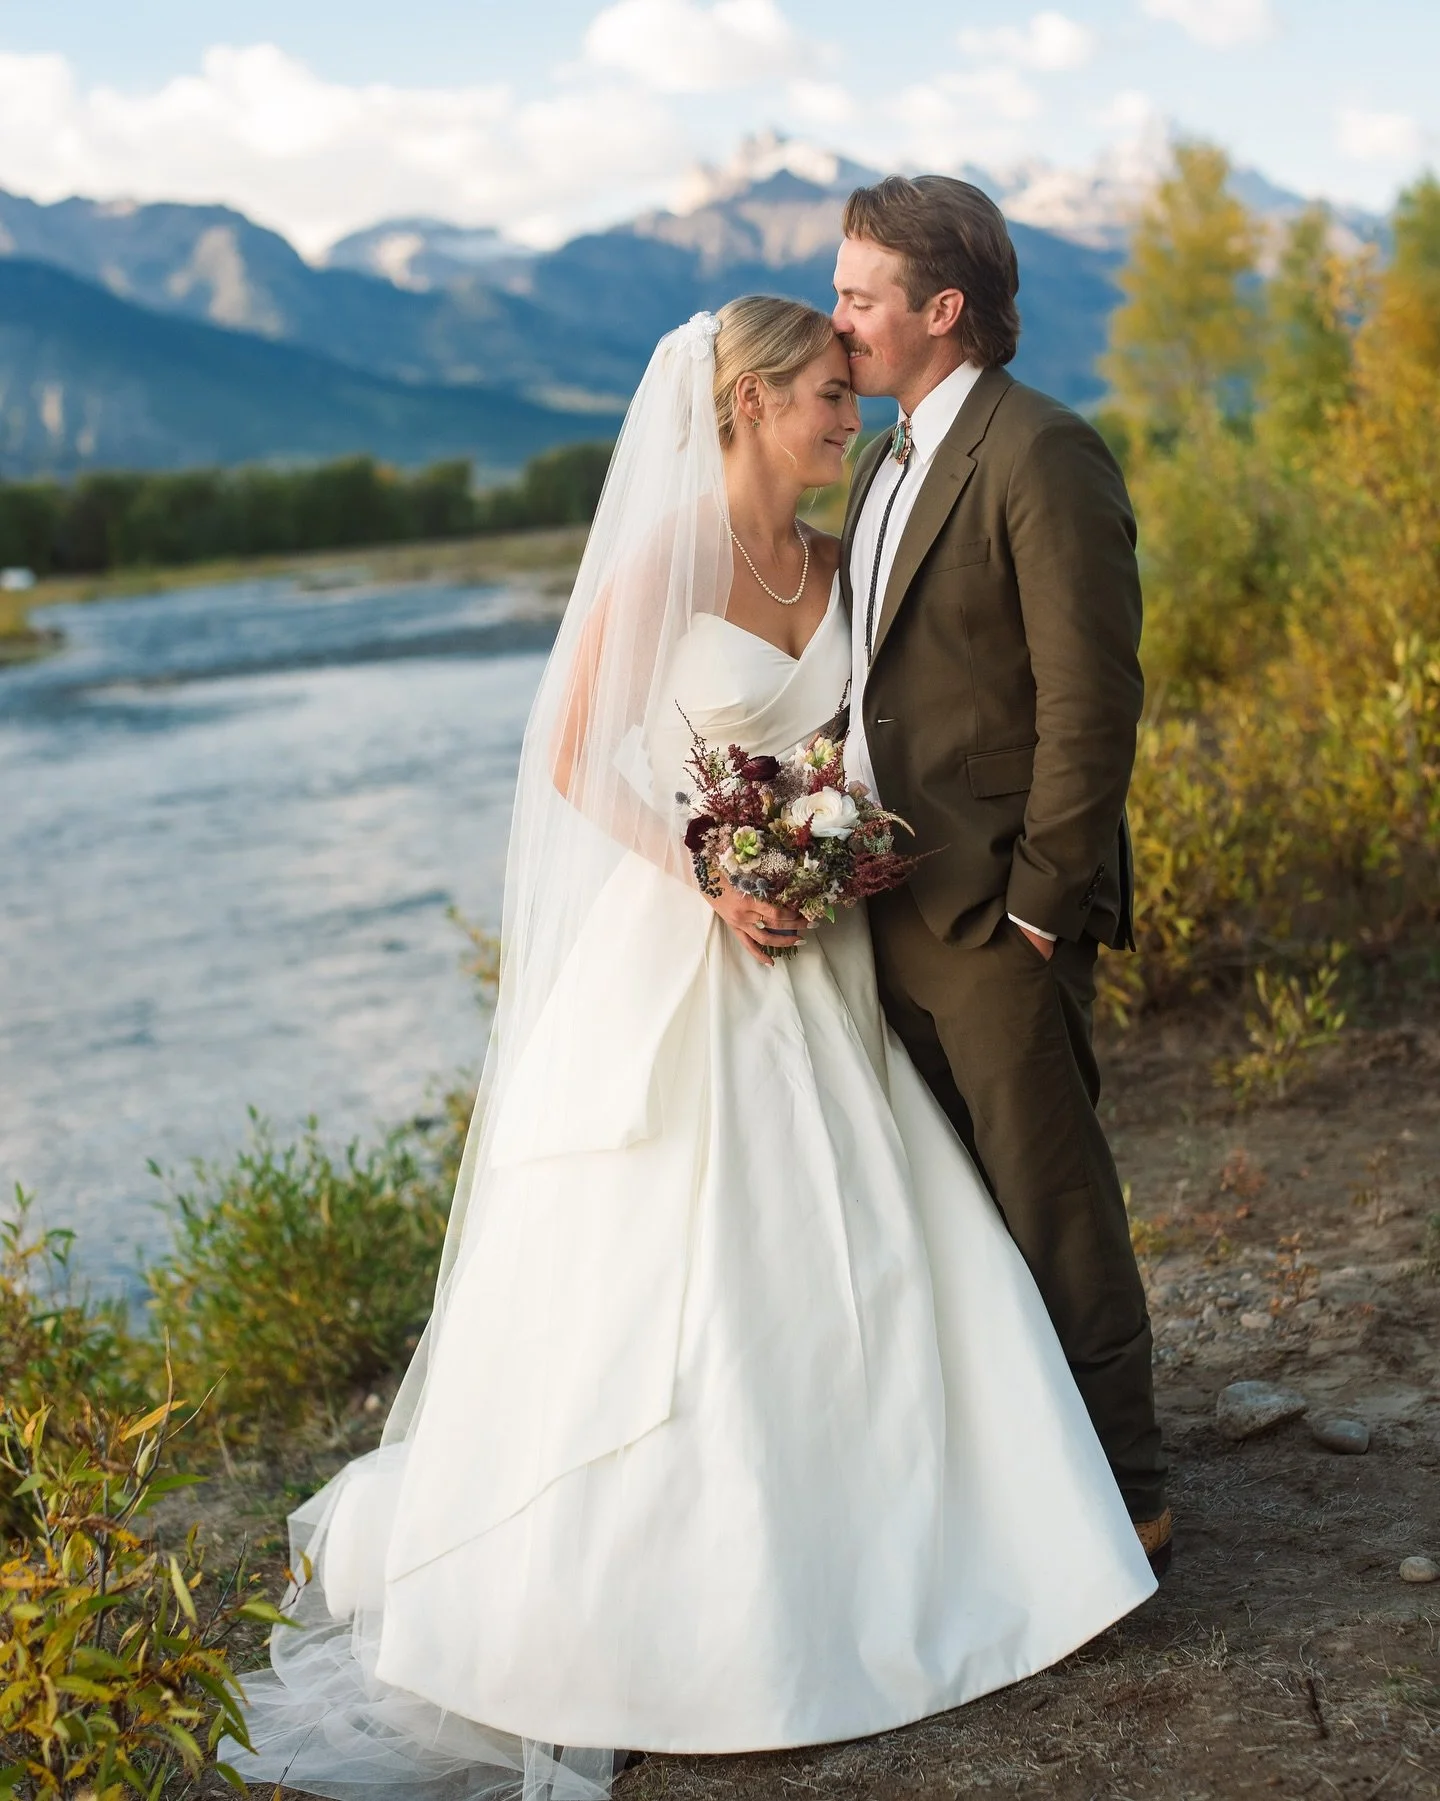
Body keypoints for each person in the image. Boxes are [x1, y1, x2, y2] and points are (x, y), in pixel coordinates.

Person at [224, 296, 1155, 1801]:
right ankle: (680, 1601)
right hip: (694, 942)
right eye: (826, 401)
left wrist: (836, 854)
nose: (849, 421)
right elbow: (574, 752)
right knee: (694, 1264)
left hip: (822, 946)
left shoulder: (840, 552)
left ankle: (922, 1549)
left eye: (853, 400)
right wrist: (709, 876)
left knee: (882, 1240)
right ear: (748, 405)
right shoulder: (670, 555)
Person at [832, 174, 1170, 1568]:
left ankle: (1133, 1498)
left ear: (943, 309)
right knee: (957, 1217)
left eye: (860, 297)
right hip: (884, 904)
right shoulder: (881, 457)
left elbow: (1095, 701)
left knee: (1052, 1202)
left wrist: (1040, 907)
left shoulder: (1042, 453)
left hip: (994, 913)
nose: (837, 320)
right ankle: (1030, 1498)